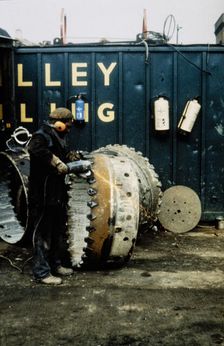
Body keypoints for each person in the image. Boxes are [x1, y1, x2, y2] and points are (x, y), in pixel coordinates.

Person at [28, 107, 81, 285]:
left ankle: (55, 265)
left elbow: (61, 155)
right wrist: (56, 162)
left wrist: (70, 158)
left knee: (57, 230)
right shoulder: (41, 136)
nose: (68, 129)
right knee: (42, 234)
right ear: (58, 124)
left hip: (56, 194)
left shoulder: (58, 137)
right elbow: (35, 149)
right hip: (42, 194)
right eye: (68, 126)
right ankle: (42, 273)